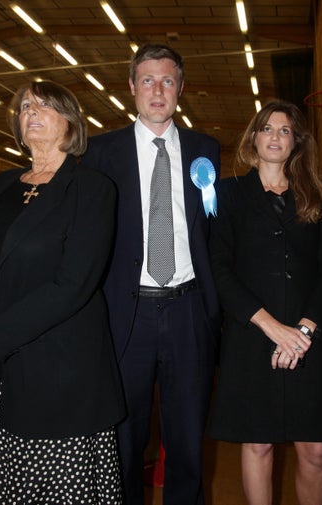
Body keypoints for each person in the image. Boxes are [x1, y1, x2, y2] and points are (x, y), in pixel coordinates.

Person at [0, 80, 125, 504]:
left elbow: (73, 284)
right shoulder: (1, 184)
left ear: (71, 123)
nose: (32, 111)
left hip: (61, 373)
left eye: (45, 105)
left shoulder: (92, 188)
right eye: (25, 106)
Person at [82, 43, 221, 505]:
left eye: (167, 80)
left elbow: (214, 230)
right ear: (131, 88)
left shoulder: (205, 150)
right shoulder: (100, 153)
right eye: (147, 80)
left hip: (188, 311)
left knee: (186, 438)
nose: (157, 90)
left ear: (180, 88)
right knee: (125, 438)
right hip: (127, 313)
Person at [208, 100, 322, 505]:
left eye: (284, 130)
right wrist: (272, 328)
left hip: (310, 339)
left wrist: (304, 331)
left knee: (317, 451)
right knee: (258, 446)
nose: (275, 136)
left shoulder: (316, 196)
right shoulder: (227, 194)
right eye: (267, 129)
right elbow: (220, 268)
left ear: (296, 142)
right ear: (254, 138)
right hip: (253, 336)